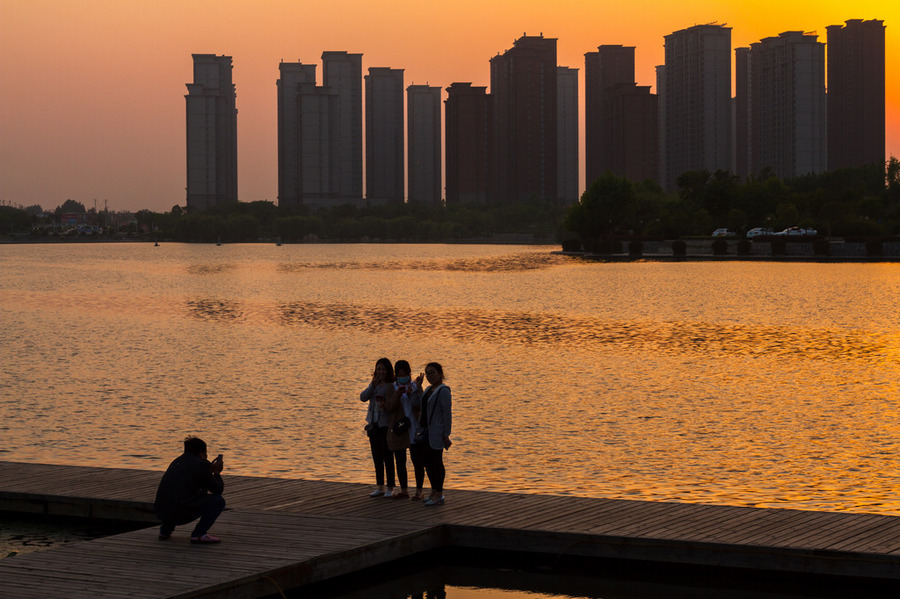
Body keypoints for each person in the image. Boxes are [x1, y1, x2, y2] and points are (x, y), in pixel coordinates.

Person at [154, 436, 226, 544]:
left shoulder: (177, 462)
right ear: (202, 452)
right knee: (218, 501)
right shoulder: (202, 465)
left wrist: (208, 469)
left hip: (161, 511)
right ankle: (199, 534)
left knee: (175, 496)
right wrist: (216, 473)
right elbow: (218, 490)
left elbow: (193, 473)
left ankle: (165, 531)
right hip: (180, 513)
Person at [413, 362, 452, 506]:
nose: (430, 376)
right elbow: (419, 405)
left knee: (436, 462)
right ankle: (433, 491)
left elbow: (447, 414)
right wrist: (418, 388)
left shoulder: (443, 391)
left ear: (440, 374)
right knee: (427, 463)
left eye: (433, 372)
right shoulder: (428, 389)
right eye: (428, 373)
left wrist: (446, 433)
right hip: (424, 431)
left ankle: (439, 493)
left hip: (436, 432)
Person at [360, 357, 396, 497]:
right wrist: (372, 386)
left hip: (385, 424)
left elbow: (393, 405)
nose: (380, 372)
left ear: (388, 371)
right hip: (373, 424)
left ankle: (390, 487)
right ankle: (380, 486)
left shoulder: (391, 385)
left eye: (383, 369)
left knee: (388, 457)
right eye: (378, 369)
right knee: (376, 457)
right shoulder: (374, 384)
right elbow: (363, 397)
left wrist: (385, 405)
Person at [384, 359, 417, 500]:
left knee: (417, 460)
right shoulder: (392, 387)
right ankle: (404, 490)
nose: (402, 377)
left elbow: (419, 405)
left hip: (414, 426)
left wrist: (412, 393)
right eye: (400, 374)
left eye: (405, 374)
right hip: (400, 428)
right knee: (400, 460)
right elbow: (389, 407)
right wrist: (397, 395)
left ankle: (419, 490)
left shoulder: (415, 385)